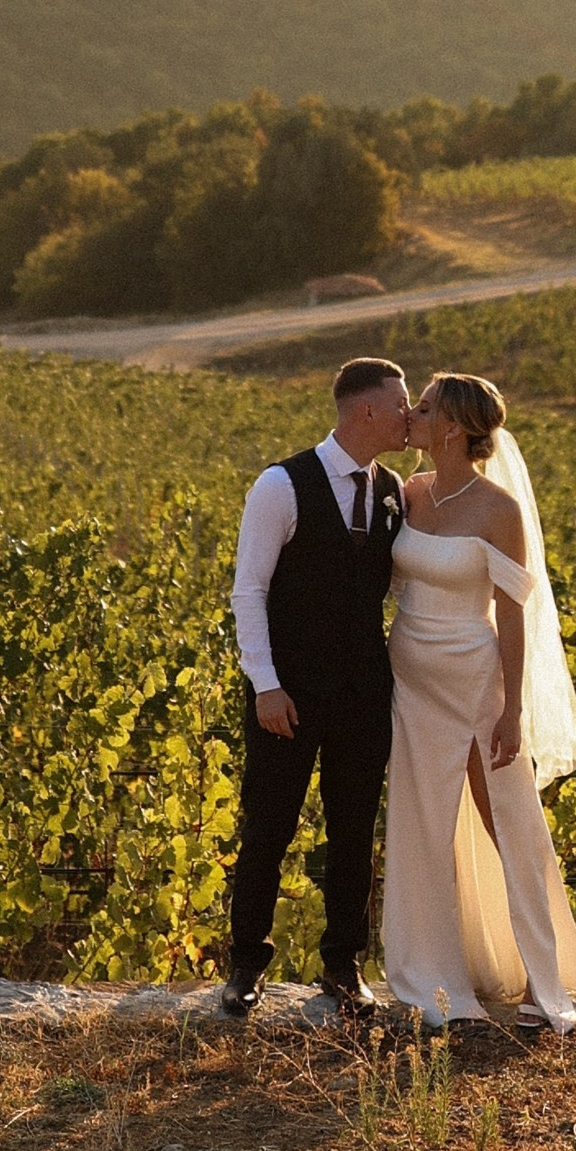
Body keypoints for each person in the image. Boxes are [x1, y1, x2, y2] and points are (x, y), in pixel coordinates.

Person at [381, 369, 576, 1031]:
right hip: (411, 684)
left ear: (451, 426)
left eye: (424, 405)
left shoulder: (498, 510)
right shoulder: (407, 495)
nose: (410, 413)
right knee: (424, 824)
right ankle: (437, 974)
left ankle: (539, 976)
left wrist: (511, 712)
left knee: (506, 821)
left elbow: (514, 614)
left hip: (473, 681)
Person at [220, 354, 411, 1017]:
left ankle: (343, 965)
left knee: (354, 830)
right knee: (268, 828)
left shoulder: (394, 491)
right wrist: (266, 685)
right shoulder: (281, 484)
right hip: (288, 693)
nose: (408, 414)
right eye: (400, 403)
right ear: (365, 410)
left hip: (363, 691)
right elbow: (249, 591)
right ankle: (246, 965)